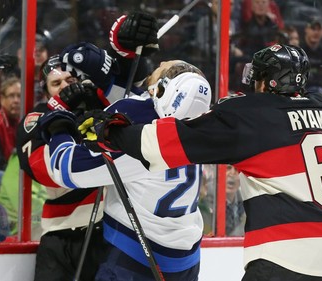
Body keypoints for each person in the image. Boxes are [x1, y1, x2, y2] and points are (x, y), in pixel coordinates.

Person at [79, 44, 322, 280]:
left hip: (287, 258)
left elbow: (167, 143)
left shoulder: (249, 115)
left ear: (265, 82)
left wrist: (111, 130)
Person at [39, 61, 211, 280]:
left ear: (163, 87)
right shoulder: (200, 122)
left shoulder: (139, 119)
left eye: (164, 66)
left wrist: (60, 129)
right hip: (187, 260)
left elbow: (66, 169)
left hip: (135, 257)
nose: (159, 63)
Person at [16, 55, 108, 281]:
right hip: (58, 236)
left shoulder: (100, 110)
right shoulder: (37, 118)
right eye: (56, 84)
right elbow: (42, 171)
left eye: (70, 80)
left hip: (103, 233)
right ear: (46, 92)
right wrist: (59, 111)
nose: (66, 87)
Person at [300, 17, 322, 95]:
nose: (316, 32)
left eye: (319, 29)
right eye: (313, 28)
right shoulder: (299, 50)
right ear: (306, 29)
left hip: (319, 88)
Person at [0, 76, 21, 185]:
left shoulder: (22, 122)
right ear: (2, 99)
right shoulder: (0, 123)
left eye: (19, 96)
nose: (16, 101)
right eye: (12, 96)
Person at [225, 164, 245, 236]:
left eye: (237, 169)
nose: (232, 173)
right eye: (228, 168)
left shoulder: (247, 203)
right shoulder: (207, 202)